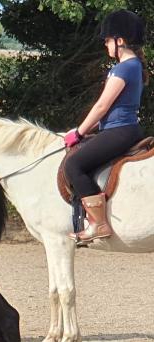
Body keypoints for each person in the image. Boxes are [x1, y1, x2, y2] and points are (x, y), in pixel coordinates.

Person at [63, 9, 148, 243]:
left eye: (108, 40)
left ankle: (98, 224)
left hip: (120, 131)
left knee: (74, 164)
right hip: (122, 129)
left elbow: (102, 106)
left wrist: (78, 133)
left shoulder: (124, 68)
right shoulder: (132, 67)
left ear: (120, 41)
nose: (106, 45)